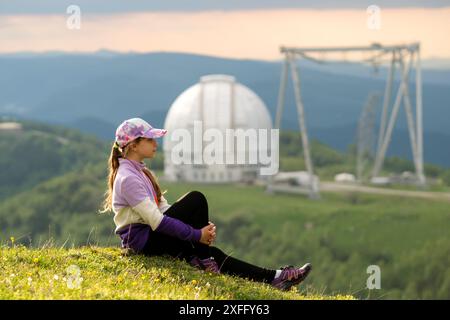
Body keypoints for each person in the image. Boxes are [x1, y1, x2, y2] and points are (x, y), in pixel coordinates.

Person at [100, 118, 311, 291]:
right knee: (196, 198)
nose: (156, 144)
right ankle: (202, 257)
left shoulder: (140, 171)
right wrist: (196, 235)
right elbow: (156, 221)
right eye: (150, 139)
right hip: (144, 242)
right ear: (134, 145)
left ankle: (276, 278)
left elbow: (164, 209)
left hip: (152, 238)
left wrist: (197, 227)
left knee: (215, 254)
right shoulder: (128, 178)